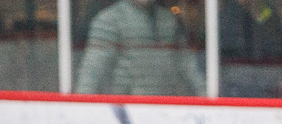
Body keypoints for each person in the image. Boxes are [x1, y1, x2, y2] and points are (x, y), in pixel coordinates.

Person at [75, 0, 206, 96]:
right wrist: (81, 109)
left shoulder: (168, 20)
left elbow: (188, 64)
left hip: (167, 108)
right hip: (128, 109)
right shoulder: (110, 20)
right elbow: (92, 71)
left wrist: (206, 95)